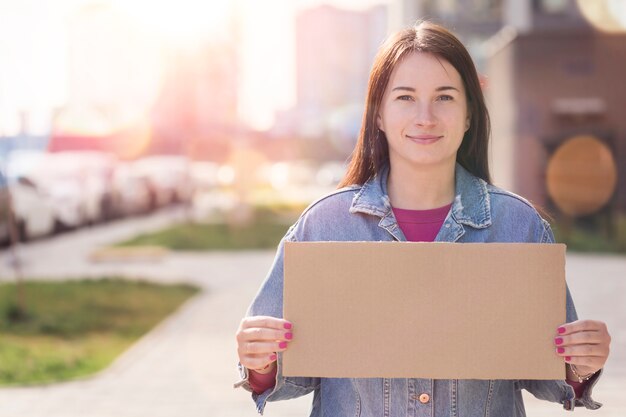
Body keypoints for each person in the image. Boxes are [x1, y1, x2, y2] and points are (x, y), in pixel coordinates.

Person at [235, 21, 611, 416]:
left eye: (445, 97)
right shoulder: (323, 227)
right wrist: (262, 362)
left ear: (468, 115)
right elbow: (289, 375)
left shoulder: (519, 227)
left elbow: (549, 376)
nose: (425, 117)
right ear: (378, 114)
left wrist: (580, 364)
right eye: (405, 97)